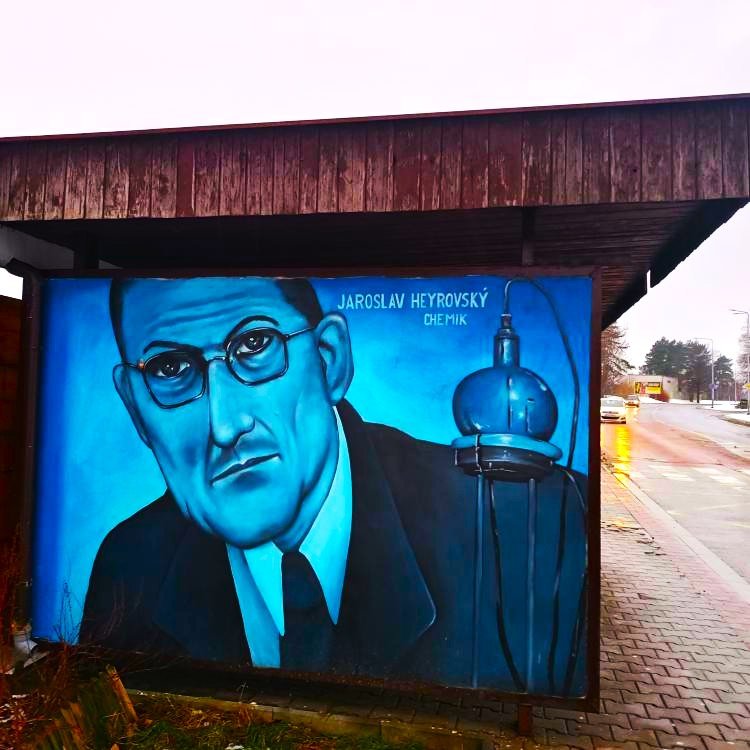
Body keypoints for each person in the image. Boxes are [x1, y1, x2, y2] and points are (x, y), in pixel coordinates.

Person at [81, 275, 587, 691]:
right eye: (170, 368)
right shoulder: (131, 566)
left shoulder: (534, 527)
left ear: (329, 361)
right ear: (136, 409)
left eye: (255, 345)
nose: (225, 425)